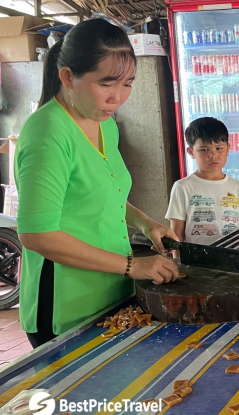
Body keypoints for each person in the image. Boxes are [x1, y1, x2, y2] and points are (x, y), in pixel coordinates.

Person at [14, 19, 180, 349]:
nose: (118, 97)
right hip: (66, 305)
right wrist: (132, 265)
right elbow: (36, 234)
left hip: (109, 291)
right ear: (67, 78)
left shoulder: (103, 123)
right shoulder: (48, 134)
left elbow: (106, 192)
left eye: (128, 84)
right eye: (106, 84)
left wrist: (146, 224)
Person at [166, 117, 239, 244]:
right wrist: (177, 261)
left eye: (219, 148)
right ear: (191, 152)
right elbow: (177, 231)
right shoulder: (182, 187)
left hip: (235, 257)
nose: (213, 155)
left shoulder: (238, 187)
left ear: (228, 148)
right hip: (197, 260)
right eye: (204, 149)